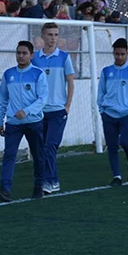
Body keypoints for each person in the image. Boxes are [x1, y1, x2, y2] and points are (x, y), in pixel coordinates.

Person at [0, 40, 48, 202]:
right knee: (9, 154)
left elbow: (43, 98)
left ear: (31, 55)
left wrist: (27, 111)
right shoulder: (8, 74)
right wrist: (0, 121)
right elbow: (3, 99)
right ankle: (5, 189)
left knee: (38, 155)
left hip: (34, 122)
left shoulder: (38, 74)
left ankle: (38, 186)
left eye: (24, 53)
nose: (21, 56)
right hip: (13, 124)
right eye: (18, 53)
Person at [30, 23, 75, 195]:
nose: (53, 38)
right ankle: (48, 180)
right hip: (40, 111)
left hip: (58, 110)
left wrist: (67, 106)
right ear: (42, 36)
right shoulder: (35, 59)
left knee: (50, 146)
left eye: (56, 34)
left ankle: (51, 180)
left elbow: (70, 82)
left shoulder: (64, 57)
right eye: (50, 34)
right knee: (41, 148)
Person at [97, 38, 128, 185]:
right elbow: (101, 93)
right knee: (112, 146)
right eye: (117, 54)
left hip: (127, 114)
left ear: (127, 53)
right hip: (109, 114)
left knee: (126, 142)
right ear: (113, 53)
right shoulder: (106, 72)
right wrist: (102, 110)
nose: (119, 57)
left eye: (122, 54)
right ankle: (117, 176)